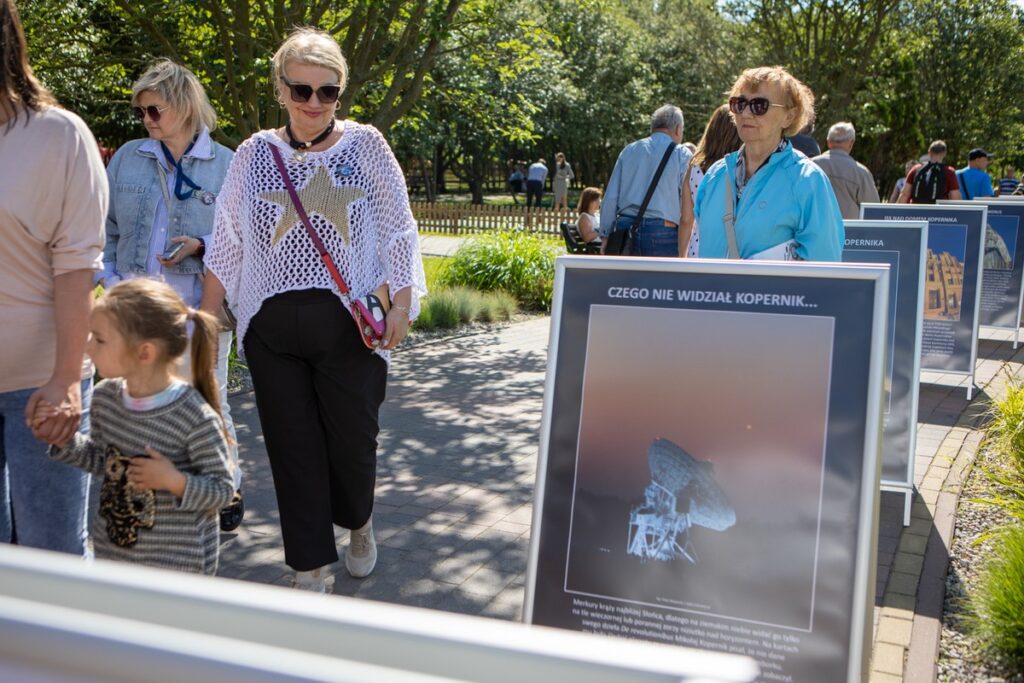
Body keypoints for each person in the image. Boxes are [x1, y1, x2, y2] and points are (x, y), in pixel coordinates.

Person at [200, 27, 426, 592]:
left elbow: (399, 227)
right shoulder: (255, 154)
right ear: (280, 88)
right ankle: (308, 567)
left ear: (340, 93)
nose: (314, 104)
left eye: (328, 92)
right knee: (291, 449)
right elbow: (225, 238)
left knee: (353, 446)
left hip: (350, 327)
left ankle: (358, 520)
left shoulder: (367, 146)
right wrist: (206, 321)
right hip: (270, 329)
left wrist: (402, 300)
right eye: (301, 89)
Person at [100, 60, 244, 532]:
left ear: (183, 105)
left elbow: (244, 243)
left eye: (155, 109)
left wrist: (201, 247)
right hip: (136, 315)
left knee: (206, 401)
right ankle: (147, 494)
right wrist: (114, 281)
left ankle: (223, 487)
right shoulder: (127, 158)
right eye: (141, 111)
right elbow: (107, 228)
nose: (147, 120)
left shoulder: (228, 164)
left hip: (198, 311)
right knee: (137, 403)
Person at [0, 0, 107, 554]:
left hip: (41, 385)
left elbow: (77, 267)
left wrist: (67, 380)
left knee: (52, 557)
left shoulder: (58, 136)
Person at [37, 279, 233, 574]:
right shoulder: (106, 399)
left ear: (144, 352)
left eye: (99, 339)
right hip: (114, 560)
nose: (88, 347)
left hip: (176, 574)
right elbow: (105, 460)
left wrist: (173, 480)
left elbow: (222, 490)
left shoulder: (194, 416)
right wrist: (63, 439)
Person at [694, 66, 844, 261]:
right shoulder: (715, 176)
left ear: (789, 116)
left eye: (759, 105)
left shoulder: (808, 181)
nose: (746, 113)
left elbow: (825, 266)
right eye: (739, 104)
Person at [599, 104, 692, 256]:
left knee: (626, 280)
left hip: (624, 230)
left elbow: (610, 198)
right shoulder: (681, 154)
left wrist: (605, 235)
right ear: (677, 129)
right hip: (663, 231)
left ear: (653, 127)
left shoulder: (629, 150)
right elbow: (687, 201)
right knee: (661, 280)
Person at [681, 104, 741, 257]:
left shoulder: (694, 168)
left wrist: (681, 256)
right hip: (733, 248)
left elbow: (687, 219)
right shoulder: (741, 168)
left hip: (699, 248)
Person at [811, 122, 880, 219]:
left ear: (828, 142)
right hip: (848, 231)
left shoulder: (810, 165)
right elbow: (873, 209)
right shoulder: (861, 172)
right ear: (851, 143)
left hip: (813, 229)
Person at [897, 140, 961, 204]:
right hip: (938, 212)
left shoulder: (916, 169)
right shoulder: (949, 171)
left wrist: (899, 212)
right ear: (944, 153)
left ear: (929, 152)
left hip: (916, 211)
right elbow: (955, 198)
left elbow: (904, 195)